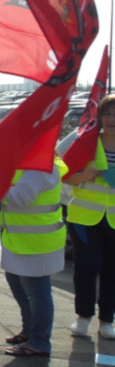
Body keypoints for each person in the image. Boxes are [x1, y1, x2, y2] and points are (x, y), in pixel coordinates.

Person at [0, 160, 66, 356]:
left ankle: (40, 340)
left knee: (37, 291)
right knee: (17, 283)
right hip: (19, 241)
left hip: (36, 243)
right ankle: (29, 331)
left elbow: (19, 197)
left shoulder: (42, 166)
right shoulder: (26, 163)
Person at [60, 94, 115, 340]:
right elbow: (61, 174)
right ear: (100, 117)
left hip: (113, 219)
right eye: (107, 113)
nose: (112, 119)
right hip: (83, 217)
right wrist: (82, 175)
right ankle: (83, 317)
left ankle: (106, 321)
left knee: (111, 270)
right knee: (86, 267)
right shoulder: (86, 141)